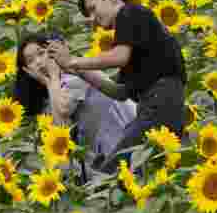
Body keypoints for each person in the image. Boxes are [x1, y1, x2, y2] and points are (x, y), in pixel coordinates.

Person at [49, 0, 187, 173]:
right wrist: (75, 69)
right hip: (159, 105)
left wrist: (73, 61)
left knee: (115, 171)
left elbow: (119, 57)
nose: (92, 18)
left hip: (161, 101)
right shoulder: (136, 38)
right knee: (139, 170)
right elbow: (119, 92)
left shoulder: (130, 13)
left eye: (93, 8)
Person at [13, 31, 136, 179]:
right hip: (104, 154)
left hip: (123, 138)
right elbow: (62, 134)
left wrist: (51, 79)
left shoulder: (75, 74)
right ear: (26, 71)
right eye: (30, 60)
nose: (38, 62)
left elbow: (62, 120)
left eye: (40, 53)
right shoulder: (45, 96)